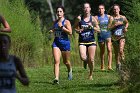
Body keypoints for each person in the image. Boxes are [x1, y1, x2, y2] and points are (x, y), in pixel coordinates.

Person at [74, 2, 100, 80]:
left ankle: (90, 75)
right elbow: (74, 27)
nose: (86, 9)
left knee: (91, 59)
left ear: (90, 9)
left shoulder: (93, 19)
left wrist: (92, 27)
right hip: (82, 41)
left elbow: (98, 30)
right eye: (85, 8)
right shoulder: (79, 18)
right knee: (83, 57)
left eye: (87, 7)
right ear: (83, 9)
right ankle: (85, 61)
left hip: (91, 41)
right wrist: (78, 31)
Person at [50, 6, 72, 84]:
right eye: (58, 11)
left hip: (65, 44)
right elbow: (54, 29)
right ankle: (56, 78)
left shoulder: (66, 22)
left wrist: (62, 27)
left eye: (60, 11)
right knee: (56, 61)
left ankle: (69, 70)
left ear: (63, 13)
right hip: (56, 43)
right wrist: (52, 30)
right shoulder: (55, 22)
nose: (59, 13)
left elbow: (70, 32)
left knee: (66, 62)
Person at [108, 4, 129, 71]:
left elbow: (127, 23)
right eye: (114, 9)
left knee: (121, 50)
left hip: (122, 36)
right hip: (114, 38)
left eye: (117, 9)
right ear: (113, 10)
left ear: (119, 9)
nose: (116, 10)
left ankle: (124, 65)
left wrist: (125, 28)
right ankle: (118, 65)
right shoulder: (111, 18)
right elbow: (108, 28)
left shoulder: (123, 17)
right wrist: (114, 25)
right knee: (116, 52)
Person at [94, 4, 112, 71]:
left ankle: (109, 66)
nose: (100, 10)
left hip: (108, 35)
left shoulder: (109, 16)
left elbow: (113, 23)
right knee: (102, 51)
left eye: (102, 8)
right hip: (100, 35)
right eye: (99, 9)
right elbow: (93, 25)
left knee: (109, 49)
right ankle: (102, 66)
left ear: (104, 9)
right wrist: (95, 28)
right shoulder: (96, 17)